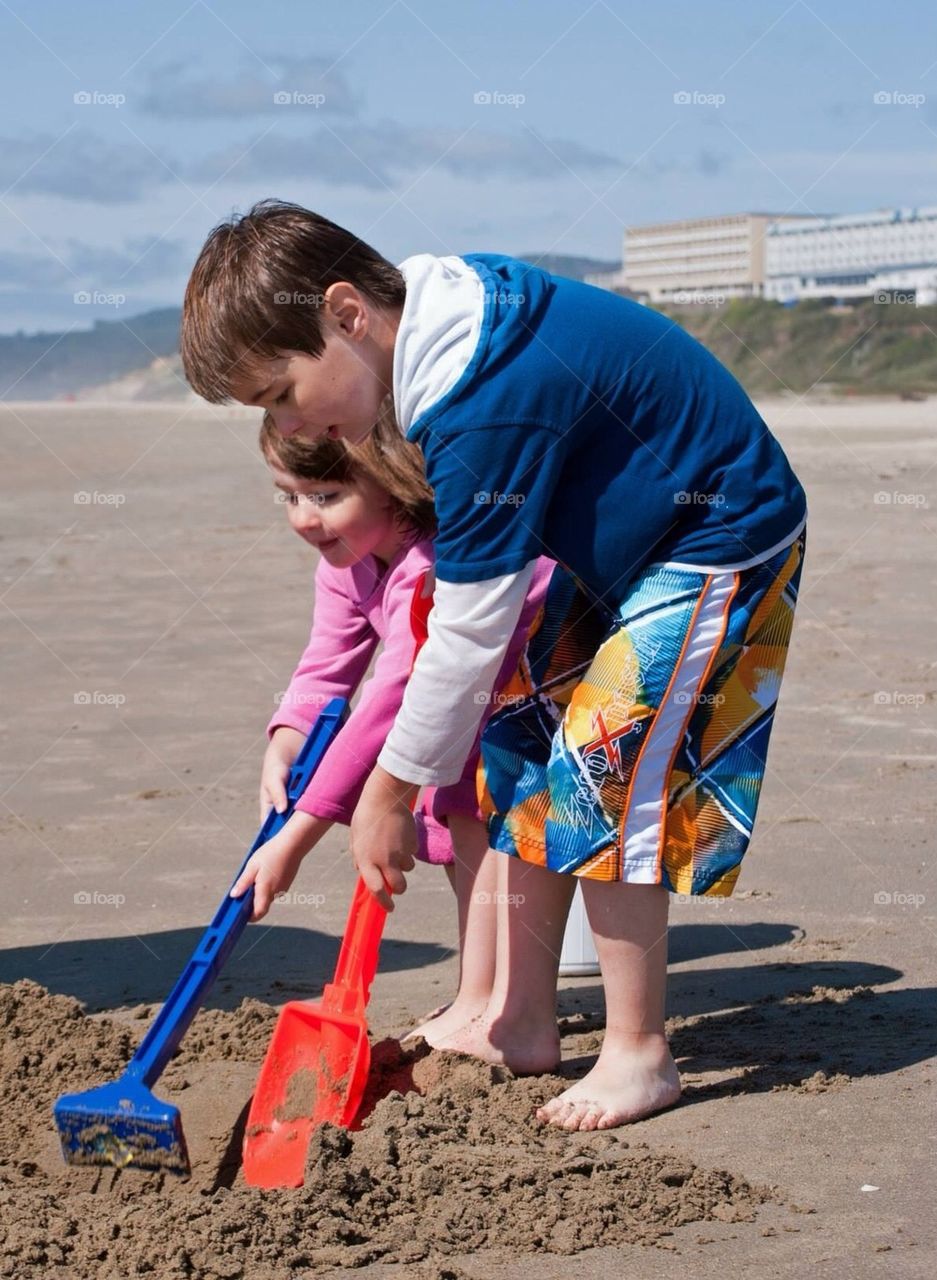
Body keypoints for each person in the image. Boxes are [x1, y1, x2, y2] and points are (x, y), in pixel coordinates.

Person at [183, 199, 808, 1131]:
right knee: (516, 738)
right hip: (620, 551)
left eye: (280, 392)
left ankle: (639, 1051)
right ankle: (519, 1019)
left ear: (348, 315)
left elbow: (466, 632)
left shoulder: (482, 399)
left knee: (606, 761)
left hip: (718, 533)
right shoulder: (443, 325)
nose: (291, 420)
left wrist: (387, 795)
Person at [231, 405, 553, 1045]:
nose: (304, 518)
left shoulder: (430, 565)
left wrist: (295, 839)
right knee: (459, 805)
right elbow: (325, 669)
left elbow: (393, 697)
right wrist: (288, 740)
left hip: (543, 681)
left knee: (477, 804)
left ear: (391, 477)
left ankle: (495, 1000)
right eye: (288, 498)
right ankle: (478, 992)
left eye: (326, 495)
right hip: (472, 703)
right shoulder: (346, 563)